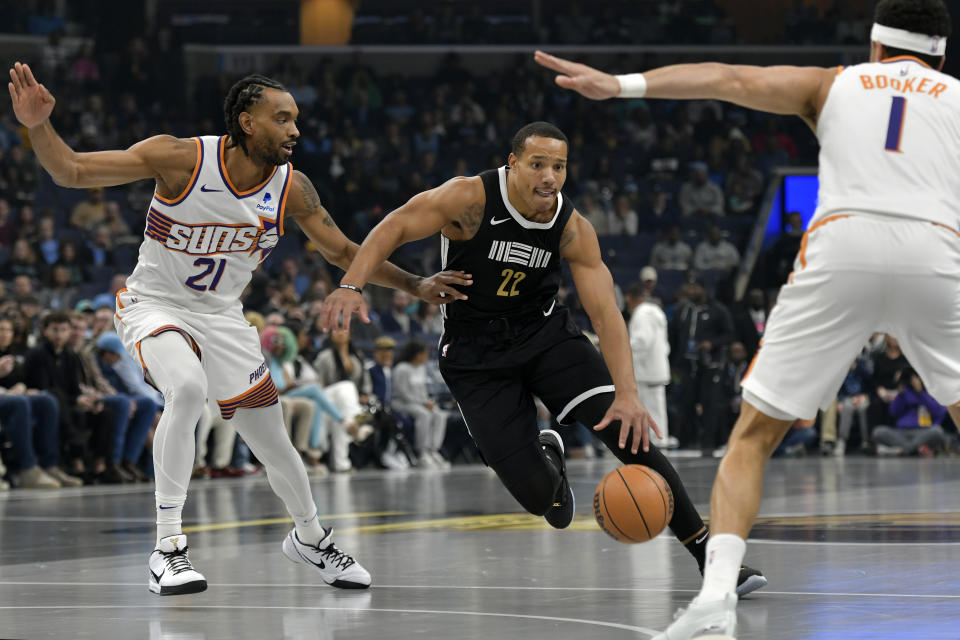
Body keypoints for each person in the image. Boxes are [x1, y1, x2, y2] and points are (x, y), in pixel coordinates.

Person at [535, 0, 956, 636]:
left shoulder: (833, 83)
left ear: (875, 47)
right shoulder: (955, 96)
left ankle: (713, 601)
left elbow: (728, 79)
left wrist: (620, 85)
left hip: (843, 246)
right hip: (937, 250)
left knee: (754, 438)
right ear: (941, 57)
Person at [9, 63, 471, 595]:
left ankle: (311, 538)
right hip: (154, 304)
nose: (295, 129)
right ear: (247, 122)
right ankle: (167, 549)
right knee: (185, 388)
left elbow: (343, 251)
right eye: (283, 118)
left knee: (274, 443)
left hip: (224, 318)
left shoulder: (291, 188)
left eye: (296, 119)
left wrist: (415, 285)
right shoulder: (181, 158)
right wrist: (38, 126)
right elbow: (69, 170)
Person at [321, 121, 765, 596]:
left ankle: (712, 560)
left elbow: (606, 313)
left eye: (559, 166)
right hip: (475, 354)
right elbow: (394, 226)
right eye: (538, 164)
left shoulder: (571, 226)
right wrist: (352, 285)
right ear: (513, 164)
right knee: (539, 498)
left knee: (630, 437)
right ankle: (548, 457)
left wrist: (629, 395)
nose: (550, 176)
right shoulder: (468, 199)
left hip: (547, 336)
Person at [624, 283, 675, 449]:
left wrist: (621, 348)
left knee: (650, 408)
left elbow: (642, 341)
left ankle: (657, 442)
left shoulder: (642, 315)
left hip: (645, 369)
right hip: (657, 366)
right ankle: (658, 440)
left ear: (631, 298)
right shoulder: (656, 311)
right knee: (656, 407)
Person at [391, 340, 449, 469]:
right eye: (425, 354)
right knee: (424, 415)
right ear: (418, 355)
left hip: (419, 403)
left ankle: (433, 450)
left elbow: (423, 390)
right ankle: (421, 452)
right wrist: (423, 403)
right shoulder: (401, 369)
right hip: (401, 403)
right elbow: (403, 393)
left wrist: (428, 401)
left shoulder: (421, 368)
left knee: (440, 415)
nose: (426, 357)